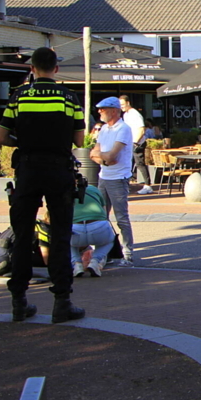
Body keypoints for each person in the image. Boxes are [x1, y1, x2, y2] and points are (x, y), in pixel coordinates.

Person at [0, 47, 86, 323]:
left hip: (28, 169)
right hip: (58, 170)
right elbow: (80, 141)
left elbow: (1, 137)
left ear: (32, 68)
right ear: (56, 69)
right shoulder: (69, 97)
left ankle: (19, 302)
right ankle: (62, 302)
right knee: (59, 236)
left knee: (22, 236)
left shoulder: (19, 96)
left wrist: (21, 142)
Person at [90, 97, 136, 267]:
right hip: (104, 176)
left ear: (114, 111)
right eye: (99, 109)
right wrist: (104, 160)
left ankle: (127, 253)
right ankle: (106, 251)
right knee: (101, 217)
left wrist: (103, 157)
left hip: (118, 178)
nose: (100, 112)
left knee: (121, 217)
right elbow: (94, 154)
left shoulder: (123, 129)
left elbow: (112, 155)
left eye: (103, 109)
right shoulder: (103, 130)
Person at [69, 184, 117, 278]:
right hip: (98, 226)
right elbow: (104, 212)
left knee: (67, 241)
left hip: (75, 227)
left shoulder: (64, 190)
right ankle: (95, 261)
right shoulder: (93, 189)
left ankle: (76, 264)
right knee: (109, 241)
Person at [119, 95, 152, 195]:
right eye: (120, 105)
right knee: (128, 164)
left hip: (137, 143)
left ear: (128, 103)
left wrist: (135, 143)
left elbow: (141, 129)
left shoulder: (135, 114)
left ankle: (148, 186)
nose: (122, 107)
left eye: (123, 104)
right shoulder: (126, 115)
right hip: (129, 143)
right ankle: (126, 185)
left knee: (139, 163)